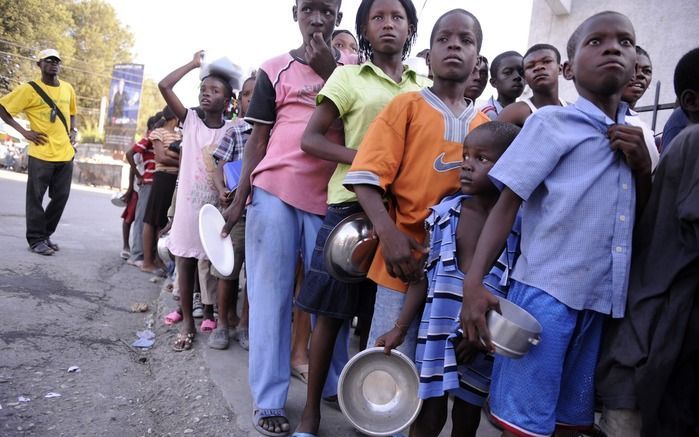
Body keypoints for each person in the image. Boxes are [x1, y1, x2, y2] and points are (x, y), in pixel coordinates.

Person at [460, 11, 651, 437]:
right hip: (544, 300)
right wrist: (475, 285)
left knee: (570, 423)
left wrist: (642, 168)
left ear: (637, 64)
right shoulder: (551, 123)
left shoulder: (639, 138)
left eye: (624, 41)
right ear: (568, 69)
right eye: (595, 42)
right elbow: (507, 203)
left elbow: (643, 218)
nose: (612, 49)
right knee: (523, 425)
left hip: (598, 304)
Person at [220, 0, 353, 434]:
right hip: (273, 190)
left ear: (339, 15)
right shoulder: (273, 68)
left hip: (329, 198)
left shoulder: (352, 69)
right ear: (294, 13)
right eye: (308, 9)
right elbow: (258, 139)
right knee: (270, 297)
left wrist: (331, 67)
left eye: (327, 10)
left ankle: (333, 384)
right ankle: (270, 397)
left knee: (329, 302)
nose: (317, 18)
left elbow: (364, 126)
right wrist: (240, 201)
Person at [293, 0, 426, 434]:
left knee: (381, 323)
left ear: (411, 28)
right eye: (378, 17)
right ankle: (311, 415)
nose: (388, 24)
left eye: (398, 17)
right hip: (350, 207)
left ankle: (371, 415)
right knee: (331, 316)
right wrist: (370, 160)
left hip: (402, 211)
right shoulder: (348, 76)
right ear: (364, 30)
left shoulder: (423, 87)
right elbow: (311, 140)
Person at [344, 8, 488, 367]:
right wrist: (388, 234)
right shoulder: (406, 107)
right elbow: (366, 176)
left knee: (440, 370)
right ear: (429, 54)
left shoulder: (486, 126)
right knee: (388, 361)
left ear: (477, 58)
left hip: (457, 273)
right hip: (404, 262)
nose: (453, 46)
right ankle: (385, 425)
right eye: (444, 39)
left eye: (465, 40)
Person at [375, 122, 520, 437]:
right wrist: (399, 328)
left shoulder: (517, 226)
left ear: (512, 166)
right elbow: (422, 278)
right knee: (428, 414)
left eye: (482, 159)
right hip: (437, 333)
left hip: (481, 338)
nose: (467, 164)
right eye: (466, 155)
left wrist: (480, 336)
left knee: (467, 418)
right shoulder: (443, 215)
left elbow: (514, 292)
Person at [596, 46, 699, 437]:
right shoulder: (692, 144)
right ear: (691, 101)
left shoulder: (667, 144)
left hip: (649, 352)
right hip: (655, 353)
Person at [158, 50, 237, 352]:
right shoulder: (189, 121)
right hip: (189, 208)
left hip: (217, 209)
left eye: (215, 91)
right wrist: (193, 65)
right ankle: (188, 322)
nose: (207, 94)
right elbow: (165, 86)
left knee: (217, 265)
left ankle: (214, 314)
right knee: (186, 264)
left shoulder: (234, 128)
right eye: (204, 89)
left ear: (227, 99)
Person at [0, 48, 77, 255]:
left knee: (61, 196)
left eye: (57, 61)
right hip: (41, 153)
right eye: (49, 60)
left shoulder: (68, 88)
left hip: (65, 153)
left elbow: (71, 113)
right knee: (35, 198)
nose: (54, 64)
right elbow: (3, 109)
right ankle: (36, 240)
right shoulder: (29, 89)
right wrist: (24, 132)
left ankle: (45, 234)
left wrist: (74, 130)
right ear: (39, 65)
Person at [207, 72, 257, 350]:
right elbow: (218, 166)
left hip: (260, 212)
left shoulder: (272, 133)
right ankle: (223, 324)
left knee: (255, 273)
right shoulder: (236, 131)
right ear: (239, 101)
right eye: (247, 94)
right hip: (234, 213)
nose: (252, 98)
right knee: (227, 269)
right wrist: (220, 190)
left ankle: (245, 325)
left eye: (258, 93)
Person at [141, 106, 181, 274]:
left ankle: (159, 260)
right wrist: (180, 161)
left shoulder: (180, 134)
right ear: (175, 116)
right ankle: (147, 262)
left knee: (164, 221)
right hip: (162, 178)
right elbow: (160, 158)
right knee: (152, 219)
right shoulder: (158, 132)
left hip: (174, 180)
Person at [497, 44, 566, 126]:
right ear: (525, 78)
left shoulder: (572, 109)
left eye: (547, 61)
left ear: (560, 69)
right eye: (530, 66)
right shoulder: (513, 113)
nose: (538, 67)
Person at [620, 45, 660, 170]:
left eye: (646, 71)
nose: (640, 75)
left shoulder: (642, 126)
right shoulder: (604, 119)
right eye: (633, 69)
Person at [124, 125, 156, 267]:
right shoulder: (151, 138)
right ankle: (136, 254)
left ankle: (144, 254)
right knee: (140, 219)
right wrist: (138, 176)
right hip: (147, 184)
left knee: (148, 220)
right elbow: (130, 155)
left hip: (155, 184)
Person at [479, 51, 523, 120]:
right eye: (508, 72)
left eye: (521, 72)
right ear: (494, 82)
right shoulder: (486, 114)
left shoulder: (525, 114)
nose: (517, 76)